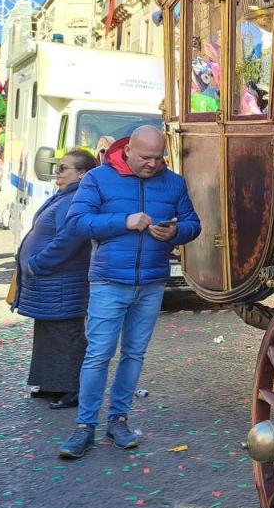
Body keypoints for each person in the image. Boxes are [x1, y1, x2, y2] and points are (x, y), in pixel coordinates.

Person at [58, 126, 201, 460]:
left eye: (158, 158)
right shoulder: (97, 178)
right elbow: (77, 222)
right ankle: (84, 426)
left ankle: (118, 420)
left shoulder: (174, 183)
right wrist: (125, 221)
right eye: (146, 158)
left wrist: (175, 232)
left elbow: (195, 225)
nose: (153, 164)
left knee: (134, 354)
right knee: (99, 355)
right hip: (109, 282)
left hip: (151, 283)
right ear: (128, 150)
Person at [15, 150, 98, 409]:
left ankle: (73, 389)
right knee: (48, 330)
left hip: (62, 279)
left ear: (82, 173)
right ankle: (51, 382)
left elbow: (69, 239)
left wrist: (39, 263)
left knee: (66, 333)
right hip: (50, 281)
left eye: (63, 168)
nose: (57, 173)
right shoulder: (65, 196)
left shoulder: (76, 199)